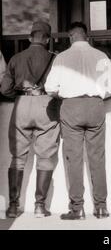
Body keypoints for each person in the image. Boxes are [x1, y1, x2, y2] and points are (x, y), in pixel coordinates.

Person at [45, 22, 111, 220]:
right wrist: (96, 96)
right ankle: (101, 207)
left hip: (71, 108)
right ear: (85, 36)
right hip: (96, 106)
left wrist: (64, 95)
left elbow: (50, 87)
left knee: (74, 159)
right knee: (97, 157)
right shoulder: (101, 56)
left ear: (71, 37)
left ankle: (77, 208)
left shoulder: (61, 58)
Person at [1, 21, 60, 218]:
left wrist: (19, 96)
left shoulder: (16, 58)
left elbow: (4, 89)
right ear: (48, 39)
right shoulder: (55, 59)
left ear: (29, 37)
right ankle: (40, 207)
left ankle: (13, 206)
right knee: (45, 156)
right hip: (47, 106)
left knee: (17, 157)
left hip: (22, 106)